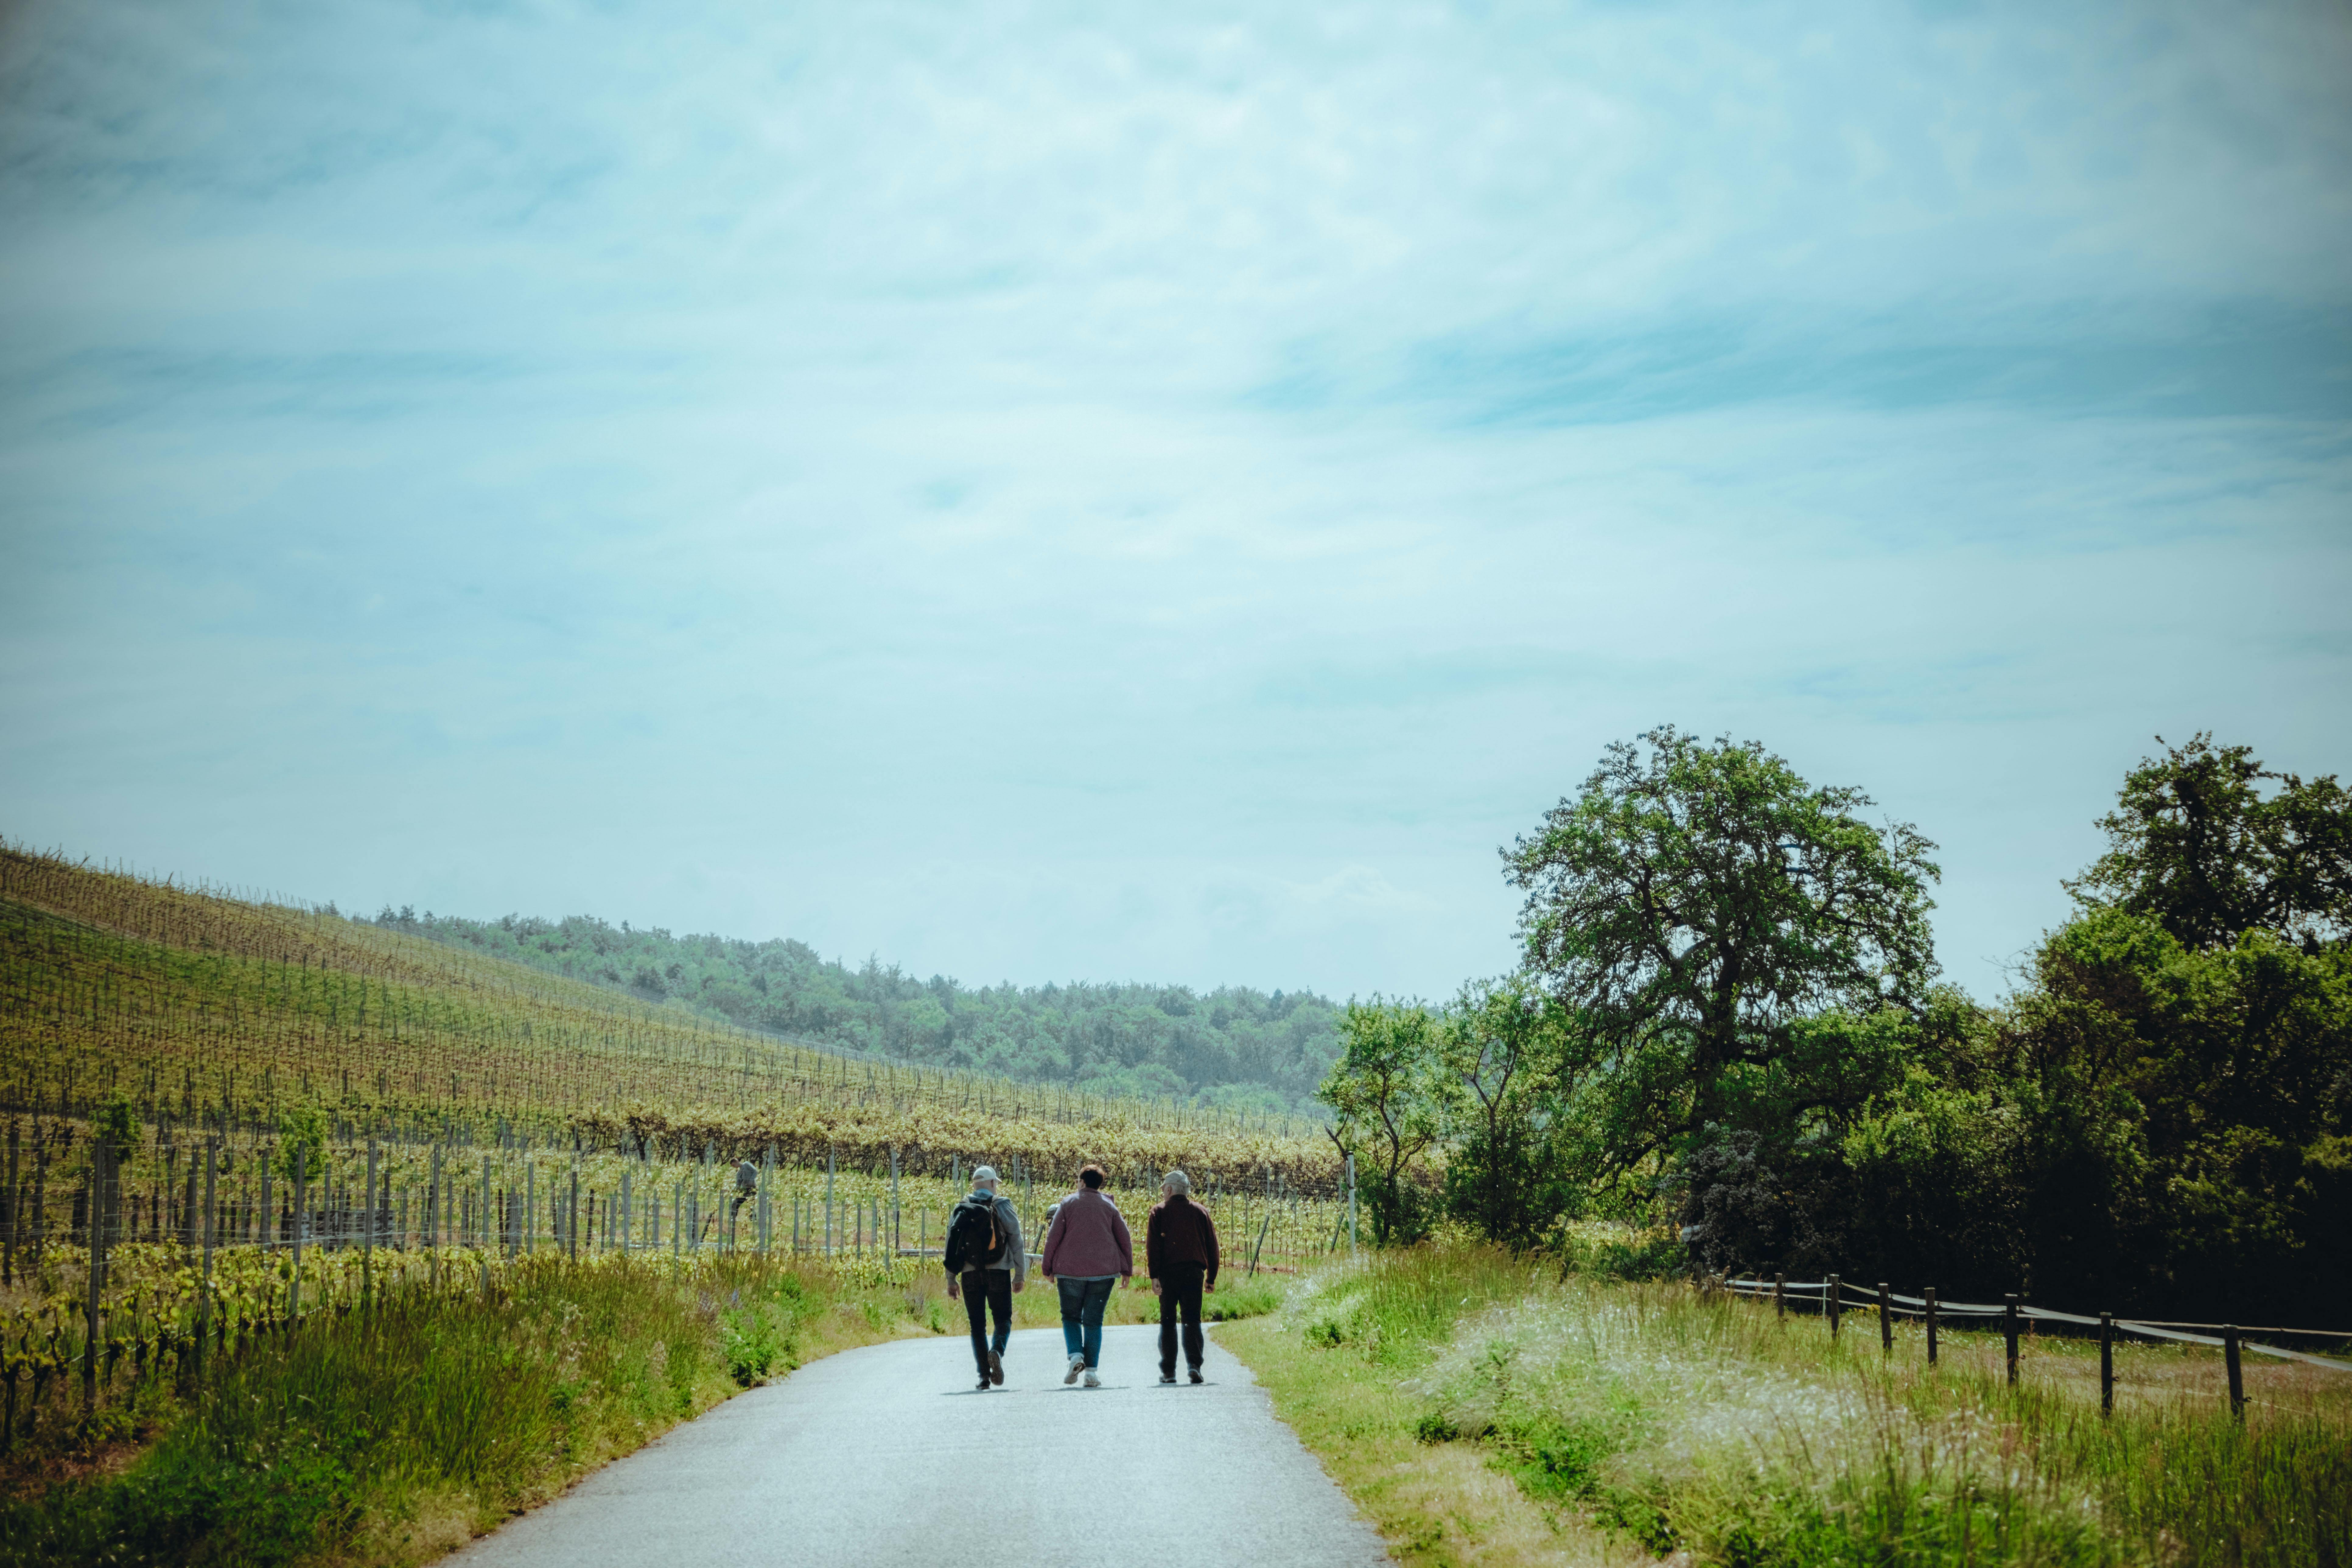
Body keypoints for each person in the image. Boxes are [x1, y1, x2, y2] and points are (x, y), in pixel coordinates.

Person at [1037, 1164, 1131, 1388]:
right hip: (1104, 1273)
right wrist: (1127, 1268)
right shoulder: (1109, 1206)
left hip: (1069, 1272)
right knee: (1094, 1321)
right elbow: (1124, 1237)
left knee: (1070, 1317)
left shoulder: (1068, 1204)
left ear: (1081, 1182)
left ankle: (1076, 1356)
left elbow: (1053, 1238)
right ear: (1099, 1184)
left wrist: (1047, 1267)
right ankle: (1091, 1374)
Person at [943, 1165, 1025, 1391]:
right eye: (995, 1183)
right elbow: (1016, 1240)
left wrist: (951, 1279)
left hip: (970, 1274)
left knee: (977, 1326)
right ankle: (996, 1351)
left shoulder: (962, 1208)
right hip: (998, 1271)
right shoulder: (1002, 1205)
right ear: (991, 1184)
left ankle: (983, 1377)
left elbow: (951, 1244)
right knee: (1003, 1319)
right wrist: (1020, 1274)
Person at [1145, 1169, 1220, 1384]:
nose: (1163, 1194)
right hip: (1194, 1273)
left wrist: (1154, 1275)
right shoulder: (1201, 1212)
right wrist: (1211, 1277)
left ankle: (1169, 1371)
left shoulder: (1158, 1212)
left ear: (1169, 1189)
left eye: (1164, 1190)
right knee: (1192, 1320)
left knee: (1167, 1320)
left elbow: (1153, 1247)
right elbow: (1213, 1247)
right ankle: (1194, 1366)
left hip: (1168, 1273)